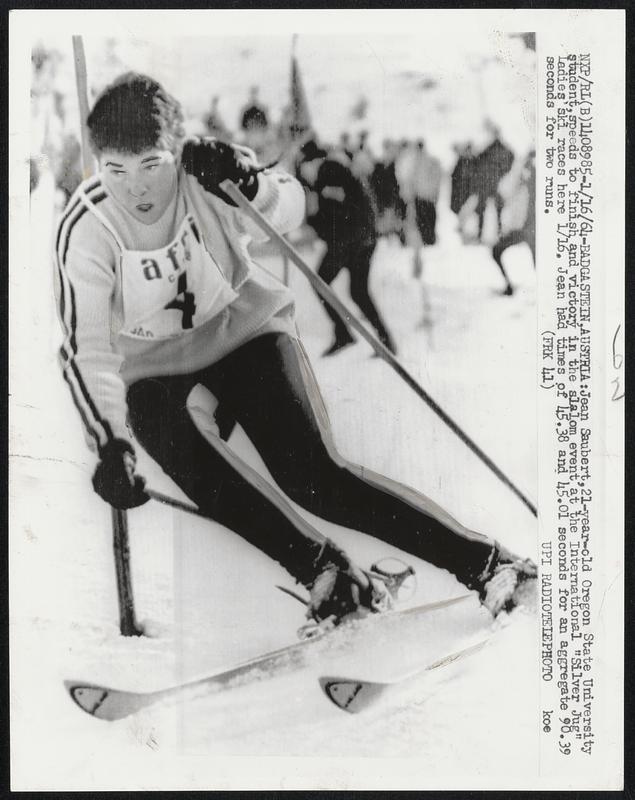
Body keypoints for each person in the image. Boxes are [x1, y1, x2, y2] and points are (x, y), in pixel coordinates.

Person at [55, 73, 536, 629]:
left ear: (175, 149)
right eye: (115, 169)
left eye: (150, 165)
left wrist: (248, 182)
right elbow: (87, 350)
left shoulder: (201, 168)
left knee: (315, 477)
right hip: (152, 363)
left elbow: (291, 206)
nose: (135, 188)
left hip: (244, 329)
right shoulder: (89, 226)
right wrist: (111, 444)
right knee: (164, 435)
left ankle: (490, 565)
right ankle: (328, 574)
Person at [298, 139, 397, 357]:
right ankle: (384, 340)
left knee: (320, 281)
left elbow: (337, 213)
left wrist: (314, 221)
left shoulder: (329, 171)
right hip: (362, 238)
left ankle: (344, 333)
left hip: (350, 239)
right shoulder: (333, 171)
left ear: (312, 161)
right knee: (358, 292)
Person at [491, 149, 536, 295]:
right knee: (496, 251)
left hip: (530, 229)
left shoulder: (535, 181)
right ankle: (509, 287)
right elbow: (505, 193)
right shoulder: (519, 182)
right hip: (523, 229)